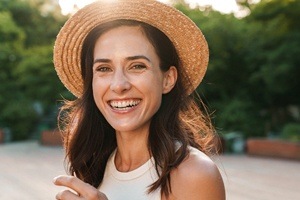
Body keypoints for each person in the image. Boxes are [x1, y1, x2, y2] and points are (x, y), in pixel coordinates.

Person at [52, 0, 225, 199]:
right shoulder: (93, 165)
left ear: (167, 79)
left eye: (137, 66)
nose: (118, 85)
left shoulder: (195, 174)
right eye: (104, 69)